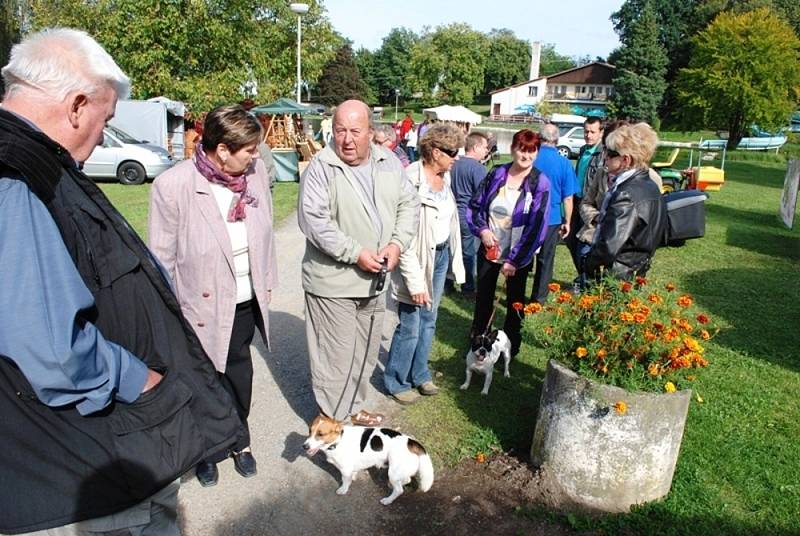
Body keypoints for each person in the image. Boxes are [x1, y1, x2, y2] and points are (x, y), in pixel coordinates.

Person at [0, 28, 242, 534]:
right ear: (76, 105)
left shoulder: (40, 163)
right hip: (79, 464)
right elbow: (50, 347)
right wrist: (139, 380)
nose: (98, 138)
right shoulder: (16, 177)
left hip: (103, 450)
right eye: (105, 120)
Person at [149, 105, 277, 487]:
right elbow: (161, 258)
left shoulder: (253, 177)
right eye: (249, 150)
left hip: (242, 301)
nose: (256, 156)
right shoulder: (173, 186)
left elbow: (266, 235)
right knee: (204, 380)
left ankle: (239, 440)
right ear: (222, 150)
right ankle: (205, 449)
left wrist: (266, 281)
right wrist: (170, 315)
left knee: (239, 374)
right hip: (197, 306)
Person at [297, 99, 419, 425]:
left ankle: (351, 409)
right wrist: (356, 253)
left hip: (375, 278)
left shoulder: (388, 161)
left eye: (355, 131)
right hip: (333, 282)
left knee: (363, 352)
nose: (347, 139)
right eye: (340, 131)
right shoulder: (321, 168)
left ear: (370, 131)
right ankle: (332, 422)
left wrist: (396, 244)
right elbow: (315, 223)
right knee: (335, 357)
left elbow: (409, 205)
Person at [384, 124, 465, 405]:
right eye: (452, 151)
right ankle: (396, 380)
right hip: (415, 260)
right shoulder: (409, 179)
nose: (457, 156)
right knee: (411, 324)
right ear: (433, 151)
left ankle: (420, 374)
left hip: (439, 256)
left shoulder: (447, 176)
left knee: (429, 320)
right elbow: (400, 235)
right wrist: (416, 281)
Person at [467, 129, 550, 357]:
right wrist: (482, 230)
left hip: (518, 256)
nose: (526, 155)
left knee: (515, 303)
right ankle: (479, 342)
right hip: (490, 250)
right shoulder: (496, 173)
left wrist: (515, 260)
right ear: (513, 149)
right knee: (483, 298)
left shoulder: (539, 182)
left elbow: (538, 225)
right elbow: (476, 206)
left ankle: (510, 347)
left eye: (531, 151)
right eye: (522, 149)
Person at [578, 120, 663, 287]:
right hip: (634, 271)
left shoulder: (626, 193)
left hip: (614, 277)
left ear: (625, 160)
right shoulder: (649, 186)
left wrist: (588, 265)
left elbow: (609, 246)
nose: (605, 158)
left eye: (610, 153)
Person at [529, 123, 580, 303]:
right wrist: (567, 221)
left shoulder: (531, 157)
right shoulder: (564, 163)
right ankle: (539, 299)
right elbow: (568, 197)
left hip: (528, 215)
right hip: (551, 218)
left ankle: (516, 294)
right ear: (557, 140)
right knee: (546, 259)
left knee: (524, 255)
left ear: (538, 137)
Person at [449, 131, 490, 296]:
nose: (487, 151)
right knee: (468, 252)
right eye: (485, 147)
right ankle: (468, 287)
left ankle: (448, 282)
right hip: (468, 215)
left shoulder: (453, 163)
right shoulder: (478, 169)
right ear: (476, 147)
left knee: (451, 249)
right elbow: (485, 195)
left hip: (451, 212)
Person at [565, 116, 604, 287]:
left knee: (585, 244)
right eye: (586, 131)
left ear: (601, 133)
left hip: (590, 205)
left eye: (592, 132)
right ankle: (582, 275)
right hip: (576, 200)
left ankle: (587, 279)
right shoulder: (583, 150)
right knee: (571, 240)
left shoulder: (603, 154)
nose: (588, 135)